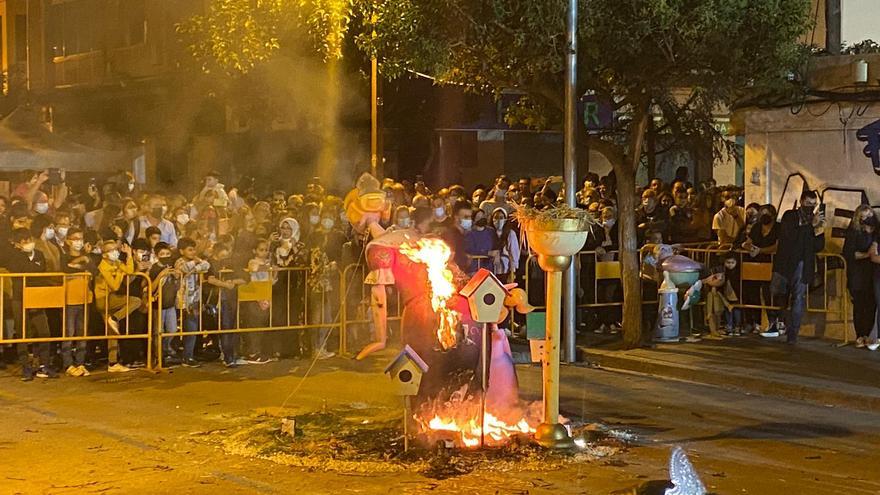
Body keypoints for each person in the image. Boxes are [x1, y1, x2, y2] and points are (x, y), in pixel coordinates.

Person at [770, 190, 825, 344]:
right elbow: (791, 238)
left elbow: (818, 246)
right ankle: (780, 324)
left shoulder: (815, 220)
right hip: (786, 263)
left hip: (803, 264)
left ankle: (792, 334)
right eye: (808, 203)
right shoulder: (790, 216)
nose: (811, 207)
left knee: (798, 298)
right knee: (780, 296)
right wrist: (810, 226)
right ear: (801, 201)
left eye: (813, 205)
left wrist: (819, 230)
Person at [6, 228, 56, 380]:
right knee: (23, 334)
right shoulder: (13, 257)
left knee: (43, 332)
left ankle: (44, 365)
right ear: (17, 244)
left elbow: (42, 272)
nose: (29, 244)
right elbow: (23, 271)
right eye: (24, 242)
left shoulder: (39, 254)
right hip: (20, 298)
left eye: (29, 240)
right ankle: (26, 368)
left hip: (37, 297)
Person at [94, 239, 140, 372]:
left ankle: (112, 363)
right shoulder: (103, 267)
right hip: (104, 300)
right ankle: (115, 318)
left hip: (110, 299)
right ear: (104, 254)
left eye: (116, 249)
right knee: (135, 301)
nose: (115, 252)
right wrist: (120, 272)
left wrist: (129, 255)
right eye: (110, 250)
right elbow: (114, 286)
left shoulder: (117, 262)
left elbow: (129, 271)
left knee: (112, 332)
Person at [60, 228, 95, 377]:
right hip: (69, 300)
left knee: (82, 334)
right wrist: (81, 262)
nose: (78, 242)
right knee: (68, 334)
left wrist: (81, 262)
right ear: (68, 240)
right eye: (75, 238)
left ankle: (80, 362)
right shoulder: (64, 256)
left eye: (80, 238)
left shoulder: (87, 256)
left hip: (85, 299)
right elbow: (66, 268)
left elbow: (93, 270)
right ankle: (68, 364)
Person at [742, 205, 781, 336]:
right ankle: (755, 323)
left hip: (772, 265)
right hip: (755, 265)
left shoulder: (778, 227)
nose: (764, 216)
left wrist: (761, 251)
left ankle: (774, 322)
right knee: (752, 292)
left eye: (767, 213)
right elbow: (749, 242)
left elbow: (777, 246)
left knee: (769, 294)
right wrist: (749, 248)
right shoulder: (757, 227)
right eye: (762, 213)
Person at [174, 237, 211, 367]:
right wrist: (196, 264)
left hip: (194, 299)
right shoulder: (179, 262)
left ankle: (188, 356)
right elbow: (184, 268)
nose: (193, 252)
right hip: (182, 301)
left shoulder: (195, 261)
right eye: (190, 250)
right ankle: (184, 356)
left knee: (192, 328)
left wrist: (197, 264)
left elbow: (207, 265)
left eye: (194, 249)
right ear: (181, 251)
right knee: (183, 329)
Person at [845, 206, 878, 349]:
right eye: (863, 216)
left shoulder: (876, 230)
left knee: (871, 305)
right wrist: (867, 255)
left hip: (873, 272)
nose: (866, 219)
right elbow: (848, 252)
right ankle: (860, 335)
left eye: (869, 216)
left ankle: (867, 335)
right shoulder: (853, 231)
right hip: (857, 272)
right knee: (859, 304)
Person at [149, 242, 180, 364]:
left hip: (170, 304)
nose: (166, 256)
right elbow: (151, 287)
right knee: (158, 331)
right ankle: (158, 356)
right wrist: (161, 274)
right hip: (158, 305)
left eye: (168, 253)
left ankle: (166, 348)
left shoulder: (171, 266)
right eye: (162, 254)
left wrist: (177, 276)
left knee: (172, 330)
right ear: (157, 255)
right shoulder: (154, 268)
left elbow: (176, 283)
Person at [489, 208, 520, 282]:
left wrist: (513, 271)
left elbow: (514, 252)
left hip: (505, 269)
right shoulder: (489, 233)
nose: (498, 220)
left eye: (501, 218)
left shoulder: (510, 234)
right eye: (496, 217)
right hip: (491, 269)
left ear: (505, 219)